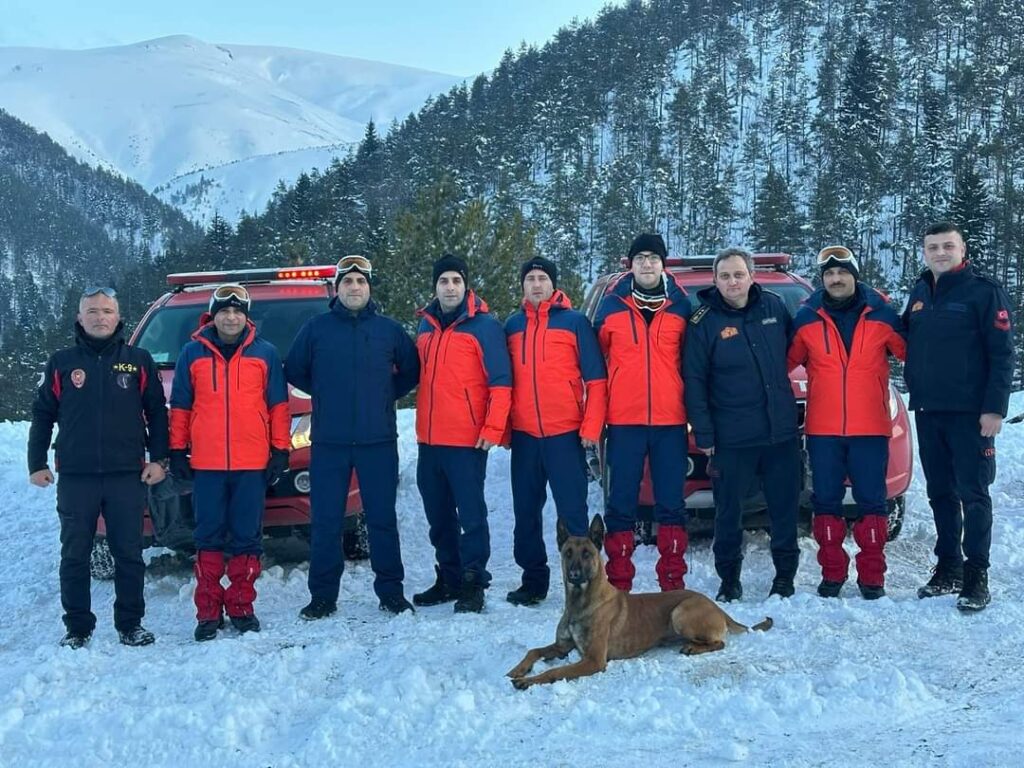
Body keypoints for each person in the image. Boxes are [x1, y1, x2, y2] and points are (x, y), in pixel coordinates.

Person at [28, 286, 168, 648]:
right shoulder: (61, 363)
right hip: (76, 477)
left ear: (118, 317)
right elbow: (43, 415)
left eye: (107, 311)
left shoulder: (138, 360)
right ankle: (77, 628)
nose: (100, 317)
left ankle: (130, 624)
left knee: (129, 554)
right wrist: (37, 462)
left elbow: (156, 412)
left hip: (127, 475)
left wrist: (160, 459)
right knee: (74, 554)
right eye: (92, 311)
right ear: (80, 318)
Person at [285, 255, 420, 619]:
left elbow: (410, 371)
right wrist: (326, 393)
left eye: (361, 282)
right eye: (348, 282)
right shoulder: (317, 329)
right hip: (330, 443)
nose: (355, 288)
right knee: (326, 521)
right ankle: (323, 597)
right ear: (338, 288)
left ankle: (391, 592)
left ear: (369, 287)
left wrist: (383, 393)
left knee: (381, 519)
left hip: (378, 442)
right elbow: (296, 369)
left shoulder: (389, 330)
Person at [903, 221, 1014, 612]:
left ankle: (976, 575)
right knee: (940, 493)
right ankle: (948, 566)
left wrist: (994, 408)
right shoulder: (919, 292)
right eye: (932, 247)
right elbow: (905, 340)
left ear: (961, 249)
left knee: (974, 494)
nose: (940, 253)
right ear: (924, 251)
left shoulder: (984, 292)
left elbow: (1002, 354)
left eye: (948, 246)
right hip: (929, 410)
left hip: (971, 414)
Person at [169, 283, 290, 641]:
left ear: (247, 316)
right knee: (207, 536)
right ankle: (208, 611)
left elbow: (278, 407)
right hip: (206, 464)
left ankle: (240, 605)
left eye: (238, 311)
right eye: (224, 311)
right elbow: (180, 406)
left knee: (246, 537)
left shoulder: (265, 354)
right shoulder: (192, 354)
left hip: (251, 464)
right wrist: (177, 450)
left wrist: (280, 450)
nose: (231, 317)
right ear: (213, 315)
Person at [788, 246, 906, 599]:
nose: (836, 279)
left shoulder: (882, 316)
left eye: (842, 273)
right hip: (823, 430)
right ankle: (832, 575)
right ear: (822, 280)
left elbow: (915, 352)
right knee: (826, 503)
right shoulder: (807, 318)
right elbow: (779, 365)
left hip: (870, 427)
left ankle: (872, 578)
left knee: (872, 503)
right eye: (829, 274)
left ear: (854, 275)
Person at [683, 247, 800, 601]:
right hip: (732, 437)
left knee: (784, 510)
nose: (732, 282)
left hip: (780, 433)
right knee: (728, 514)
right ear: (715, 280)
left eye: (738, 274)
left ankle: (784, 577)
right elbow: (694, 380)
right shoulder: (703, 322)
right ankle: (729, 579)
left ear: (751, 276)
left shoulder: (775, 307)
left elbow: (798, 351)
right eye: (725, 276)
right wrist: (703, 432)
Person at [503, 256, 607, 605]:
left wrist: (591, 427)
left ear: (553, 285)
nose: (536, 284)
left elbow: (596, 379)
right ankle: (533, 580)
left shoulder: (575, 323)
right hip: (526, 437)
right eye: (530, 278)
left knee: (573, 514)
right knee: (526, 512)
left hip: (565, 435)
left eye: (542, 278)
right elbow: (502, 383)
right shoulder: (513, 326)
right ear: (522, 285)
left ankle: (583, 585)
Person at [412, 254, 512, 613]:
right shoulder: (425, 327)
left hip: (468, 440)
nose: (450, 287)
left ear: (465, 284)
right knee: (438, 515)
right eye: (443, 281)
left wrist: (493, 427)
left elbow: (501, 382)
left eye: (456, 280)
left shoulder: (483, 327)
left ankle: (473, 580)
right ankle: (449, 577)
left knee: (471, 515)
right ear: (435, 286)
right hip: (429, 440)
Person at [593, 233, 691, 593]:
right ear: (630, 263)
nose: (647, 263)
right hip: (624, 422)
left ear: (662, 263)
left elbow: (692, 362)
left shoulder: (681, 305)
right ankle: (618, 587)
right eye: (640, 258)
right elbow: (597, 364)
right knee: (620, 505)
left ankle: (672, 585)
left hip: (670, 422)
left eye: (653, 257)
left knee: (671, 505)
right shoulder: (611, 306)